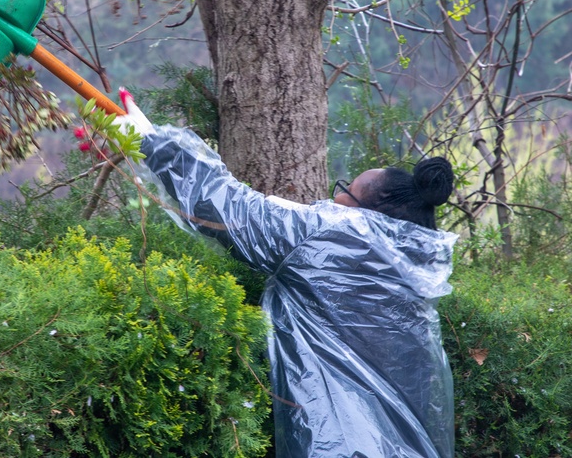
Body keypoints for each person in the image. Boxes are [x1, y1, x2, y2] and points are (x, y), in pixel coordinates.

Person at [115, 90, 457, 458]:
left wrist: (150, 141)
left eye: (345, 192)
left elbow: (228, 207)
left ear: (368, 212)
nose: (332, 199)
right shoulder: (416, 274)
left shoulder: (335, 238)